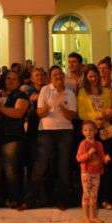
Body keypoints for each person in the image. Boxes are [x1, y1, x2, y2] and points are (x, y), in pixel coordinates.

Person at [26, 67, 77, 209]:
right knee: (40, 166)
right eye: (55, 74)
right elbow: (40, 113)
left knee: (63, 166)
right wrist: (50, 104)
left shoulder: (70, 93)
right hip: (46, 131)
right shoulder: (45, 90)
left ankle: (63, 200)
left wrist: (62, 106)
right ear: (50, 77)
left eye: (61, 74)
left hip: (65, 132)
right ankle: (30, 199)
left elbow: (72, 116)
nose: (58, 76)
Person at [77, 65, 112, 209]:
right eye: (90, 77)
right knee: (93, 164)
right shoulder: (82, 92)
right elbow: (82, 113)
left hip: (106, 131)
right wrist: (98, 116)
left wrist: (109, 112)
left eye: (95, 76)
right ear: (86, 78)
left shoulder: (107, 91)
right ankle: (93, 198)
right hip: (92, 134)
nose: (93, 79)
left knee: (108, 162)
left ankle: (107, 198)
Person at [0, 70, 29, 209]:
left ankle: (15, 199)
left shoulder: (21, 95)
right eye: (8, 78)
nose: (10, 81)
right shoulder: (1, 95)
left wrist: (0, 108)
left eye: (14, 79)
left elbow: (18, 113)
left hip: (13, 136)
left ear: (19, 81)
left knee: (12, 170)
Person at [76, 120, 109, 223]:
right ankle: (85, 217)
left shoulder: (99, 144)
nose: (88, 132)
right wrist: (88, 154)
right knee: (86, 194)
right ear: (82, 132)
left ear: (95, 131)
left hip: (96, 173)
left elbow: (101, 156)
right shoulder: (83, 144)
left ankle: (93, 216)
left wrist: (105, 159)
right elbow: (79, 158)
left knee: (94, 195)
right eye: (86, 130)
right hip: (86, 173)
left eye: (91, 130)